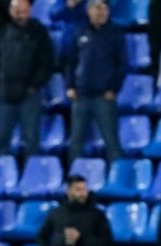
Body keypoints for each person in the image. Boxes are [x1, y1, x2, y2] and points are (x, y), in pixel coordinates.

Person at [65, 0, 127, 165]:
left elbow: (122, 65)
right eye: (97, 8)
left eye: (104, 8)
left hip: (104, 96)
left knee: (111, 141)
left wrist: (114, 88)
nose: (101, 12)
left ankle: (116, 175)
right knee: (76, 141)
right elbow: (71, 61)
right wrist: (70, 85)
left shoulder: (115, 33)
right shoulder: (80, 31)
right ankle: (74, 178)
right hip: (81, 95)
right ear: (88, 11)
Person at [0, 0, 54, 159]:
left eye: (23, 11)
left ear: (30, 10)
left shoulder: (39, 31)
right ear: (11, 11)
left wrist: (34, 85)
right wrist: (0, 83)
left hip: (29, 93)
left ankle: (31, 177)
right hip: (7, 92)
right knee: (1, 138)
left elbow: (47, 61)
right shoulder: (3, 31)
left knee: (31, 139)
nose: (20, 15)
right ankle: (0, 176)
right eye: (17, 11)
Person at [35, 174, 113, 246]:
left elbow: (107, 242)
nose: (83, 193)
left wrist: (81, 239)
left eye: (85, 189)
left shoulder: (97, 214)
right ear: (69, 190)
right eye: (78, 190)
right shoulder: (56, 213)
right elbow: (41, 236)